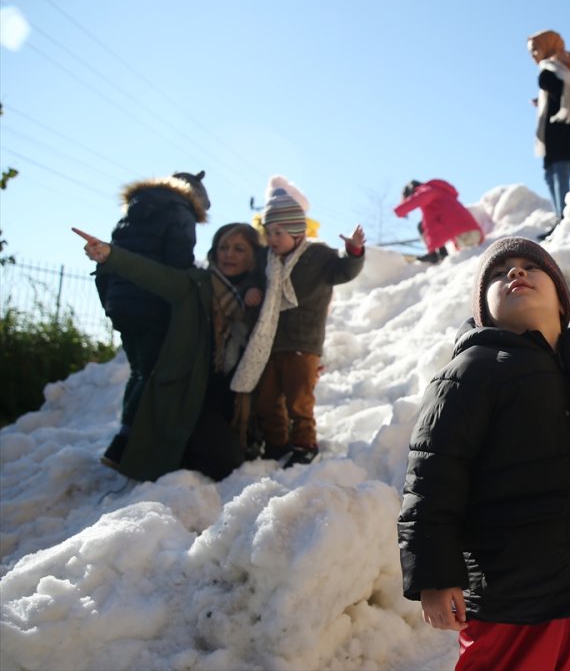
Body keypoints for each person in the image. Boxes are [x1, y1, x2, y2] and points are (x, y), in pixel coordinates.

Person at [398, 237, 570, 670]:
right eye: (499, 273)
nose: (515, 273)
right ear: (483, 309)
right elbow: (433, 479)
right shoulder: (471, 370)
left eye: (530, 267)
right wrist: (435, 576)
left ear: (561, 299)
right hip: (510, 588)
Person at [75, 223, 264, 481]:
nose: (229, 254)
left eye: (239, 249)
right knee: (226, 463)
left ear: (254, 255)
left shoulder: (259, 297)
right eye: (224, 247)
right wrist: (111, 255)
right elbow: (154, 275)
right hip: (193, 400)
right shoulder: (196, 284)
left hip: (234, 401)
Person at [230, 182, 365, 468]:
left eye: (279, 232)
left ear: (297, 231)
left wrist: (354, 252)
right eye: (269, 232)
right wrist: (251, 291)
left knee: (298, 398)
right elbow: (253, 280)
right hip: (269, 340)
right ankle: (277, 443)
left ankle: (304, 442)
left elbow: (343, 271)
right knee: (268, 399)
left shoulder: (318, 256)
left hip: (304, 341)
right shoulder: (266, 261)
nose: (273, 238)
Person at [94, 170, 211, 470]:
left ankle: (126, 437)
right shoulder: (180, 213)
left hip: (119, 300)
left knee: (138, 371)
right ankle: (124, 444)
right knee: (150, 373)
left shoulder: (135, 209)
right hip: (151, 302)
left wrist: (110, 301)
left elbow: (112, 255)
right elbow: (177, 265)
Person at [527, 30, 570, 231]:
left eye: (536, 49)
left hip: (565, 132)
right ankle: (560, 216)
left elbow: (562, 92)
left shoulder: (557, 66)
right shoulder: (562, 68)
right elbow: (560, 95)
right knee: (551, 174)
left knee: (559, 173)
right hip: (558, 132)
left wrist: (545, 82)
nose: (533, 55)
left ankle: (564, 218)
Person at [395, 179, 484, 264]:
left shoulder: (427, 190)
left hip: (466, 236)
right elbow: (431, 226)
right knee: (426, 224)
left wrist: (398, 211)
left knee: (422, 226)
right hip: (471, 234)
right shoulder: (438, 195)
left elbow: (416, 200)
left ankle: (435, 255)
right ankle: (440, 254)